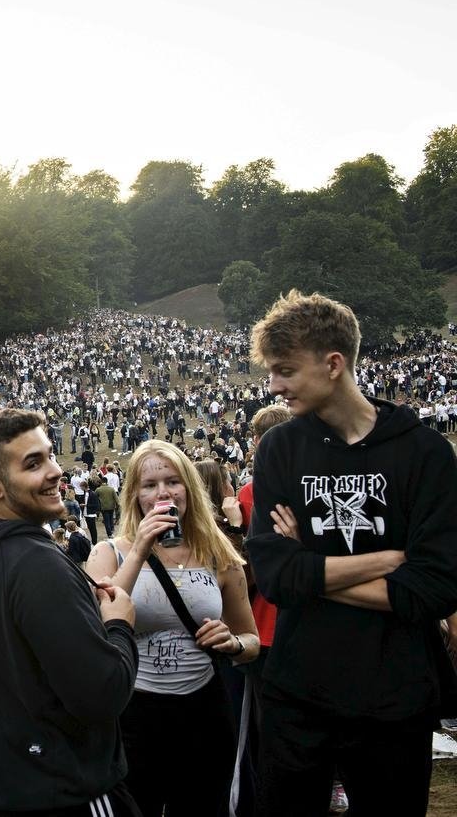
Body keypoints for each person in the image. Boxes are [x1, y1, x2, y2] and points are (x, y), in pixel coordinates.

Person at [246, 291, 457, 816]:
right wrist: (387, 561)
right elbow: (274, 575)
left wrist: (310, 571)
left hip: (394, 696)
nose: (274, 386)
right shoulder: (280, 449)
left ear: (333, 363)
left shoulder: (425, 453)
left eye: (286, 370)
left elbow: (435, 588)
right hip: (297, 691)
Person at [0, 408, 141, 816]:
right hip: (56, 786)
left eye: (49, 455)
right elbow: (102, 693)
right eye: (33, 463)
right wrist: (119, 625)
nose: (54, 471)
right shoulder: (35, 564)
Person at [86, 439, 260, 817]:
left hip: (204, 710)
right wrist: (140, 549)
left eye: (172, 481)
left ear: (189, 490)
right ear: (134, 494)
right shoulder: (107, 553)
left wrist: (231, 642)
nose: (162, 492)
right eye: (149, 485)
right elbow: (98, 626)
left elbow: (252, 641)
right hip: (133, 711)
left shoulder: (220, 555)